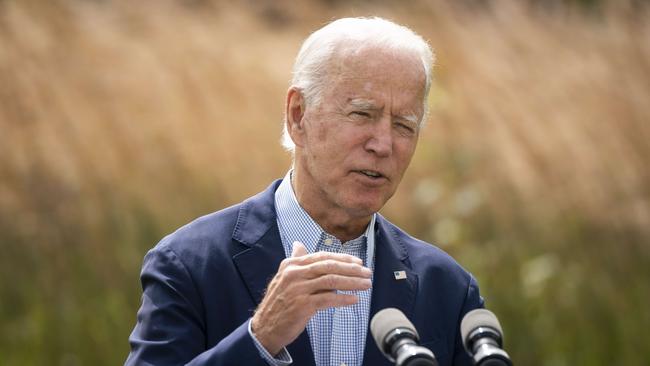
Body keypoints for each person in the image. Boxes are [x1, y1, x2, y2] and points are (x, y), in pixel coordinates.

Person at [126, 17, 483, 366]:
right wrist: (259, 338)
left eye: (404, 125)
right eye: (361, 114)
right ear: (298, 115)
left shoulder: (448, 288)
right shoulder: (188, 264)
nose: (383, 144)